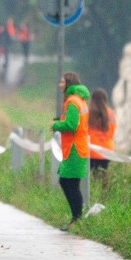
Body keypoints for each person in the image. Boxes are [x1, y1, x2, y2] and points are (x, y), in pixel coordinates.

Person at [51, 72, 90, 231]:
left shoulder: (72, 101)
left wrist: (56, 125)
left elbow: (72, 125)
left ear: (68, 83)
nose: (60, 84)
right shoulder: (78, 100)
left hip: (75, 149)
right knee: (69, 182)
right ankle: (76, 218)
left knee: (69, 183)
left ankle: (77, 219)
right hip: (75, 148)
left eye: (62, 81)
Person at [88, 88, 116, 174]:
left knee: (90, 177)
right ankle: (104, 187)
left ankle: (93, 187)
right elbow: (112, 132)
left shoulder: (88, 112)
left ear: (92, 99)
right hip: (107, 150)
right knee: (104, 173)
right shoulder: (111, 113)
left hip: (91, 150)